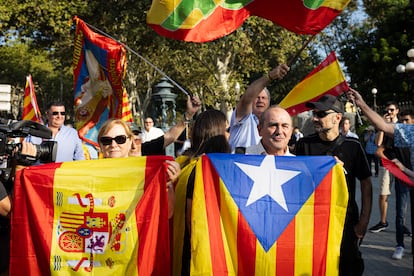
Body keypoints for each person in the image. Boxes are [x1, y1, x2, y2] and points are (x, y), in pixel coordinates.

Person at [295, 94, 372, 276]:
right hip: (312, 222)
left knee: (348, 267)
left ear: (337, 117)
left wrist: (363, 221)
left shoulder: (353, 146)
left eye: (321, 114)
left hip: (345, 222)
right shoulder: (304, 145)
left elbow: (366, 185)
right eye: (314, 113)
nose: (315, 118)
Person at [174, 109, 231, 275]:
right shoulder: (202, 171)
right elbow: (192, 219)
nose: (229, 136)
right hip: (202, 259)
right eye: (226, 130)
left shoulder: (185, 164)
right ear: (216, 134)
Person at [97, 118, 178, 218]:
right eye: (106, 141)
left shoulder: (146, 173)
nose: (113, 145)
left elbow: (167, 213)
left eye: (120, 139)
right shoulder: (90, 176)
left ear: (130, 141)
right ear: (100, 145)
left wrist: (167, 185)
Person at [229, 64, 290, 153]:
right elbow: (246, 99)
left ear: (268, 102)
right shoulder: (243, 119)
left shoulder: (275, 126)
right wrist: (270, 76)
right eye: (257, 97)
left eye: (263, 98)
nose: (260, 100)